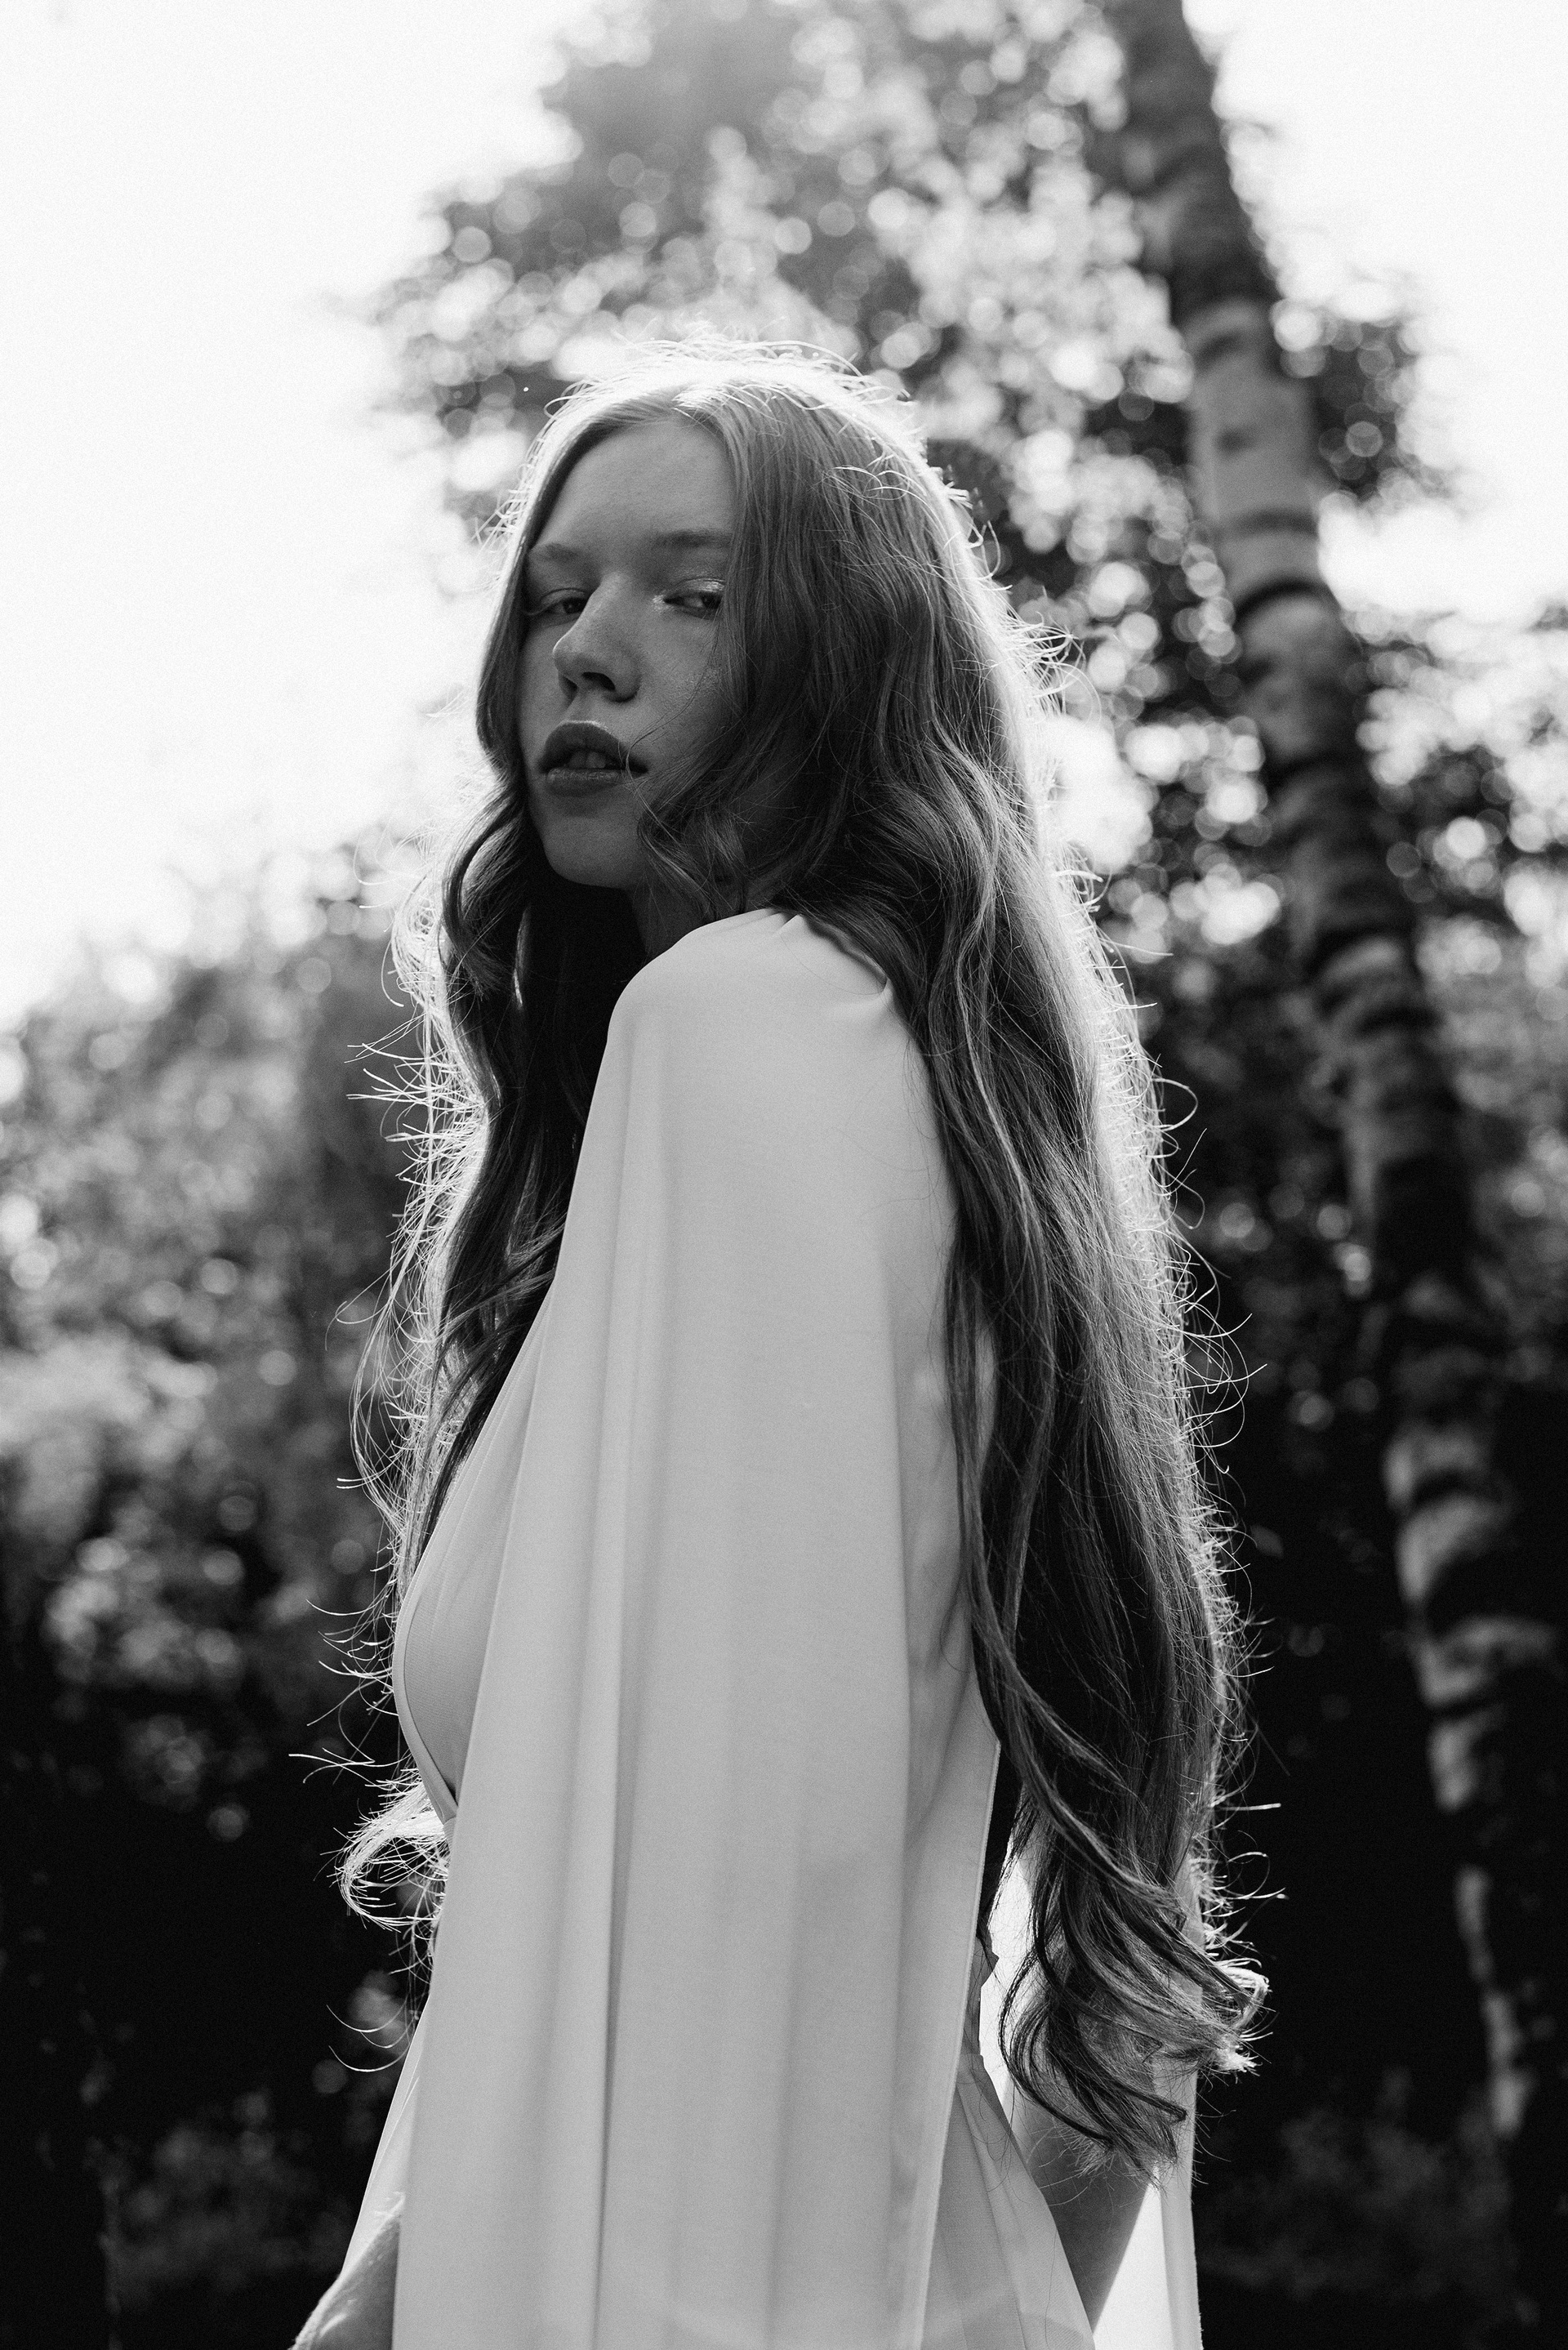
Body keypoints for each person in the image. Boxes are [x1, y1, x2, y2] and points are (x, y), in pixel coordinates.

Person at [294, 344, 1259, 2350]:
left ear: (847, 662)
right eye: (558, 593)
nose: (590, 651)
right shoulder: (893, 1084)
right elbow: (1104, 1974)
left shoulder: (738, 1029)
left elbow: (733, 1922)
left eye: (696, 595)